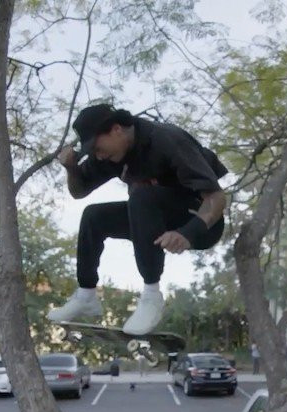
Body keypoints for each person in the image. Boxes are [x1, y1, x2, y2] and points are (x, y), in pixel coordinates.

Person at [47, 103, 229, 335]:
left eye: (98, 148)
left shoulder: (166, 139)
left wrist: (187, 233)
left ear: (116, 130)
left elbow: (216, 197)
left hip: (200, 222)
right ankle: (86, 295)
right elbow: (79, 191)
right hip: (152, 218)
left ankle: (152, 296)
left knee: (142, 195)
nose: (99, 155)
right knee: (94, 216)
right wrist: (72, 168)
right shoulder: (113, 154)